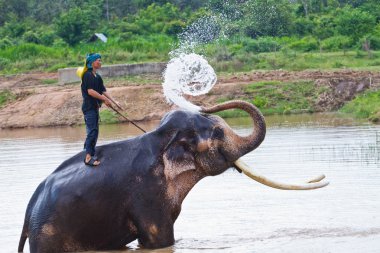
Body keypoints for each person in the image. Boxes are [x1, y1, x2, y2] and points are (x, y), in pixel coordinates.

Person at [81, 53, 121, 166]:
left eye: (100, 60)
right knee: (92, 131)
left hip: (95, 108)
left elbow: (103, 90)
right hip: (88, 108)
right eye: (98, 60)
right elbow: (91, 91)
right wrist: (104, 100)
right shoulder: (87, 75)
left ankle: (87, 151)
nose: (100, 62)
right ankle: (88, 158)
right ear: (92, 63)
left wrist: (114, 102)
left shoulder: (97, 77)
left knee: (94, 132)